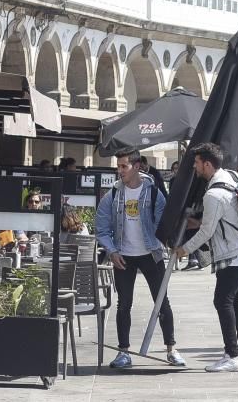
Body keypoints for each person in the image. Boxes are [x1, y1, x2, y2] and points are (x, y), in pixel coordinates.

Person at [174, 142, 238, 373]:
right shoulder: (232, 176)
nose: (194, 168)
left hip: (234, 254)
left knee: (222, 301)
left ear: (207, 164)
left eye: (196, 163)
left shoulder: (213, 194)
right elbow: (221, 218)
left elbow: (207, 232)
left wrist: (184, 249)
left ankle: (232, 355)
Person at [95, 149, 185, 368]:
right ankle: (123, 351)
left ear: (136, 166)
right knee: (123, 304)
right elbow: (102, 227)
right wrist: (112, 251)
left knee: (162, 302)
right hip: (123, 256)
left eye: (123, 166)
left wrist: (168, 243)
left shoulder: (153, 192)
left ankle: (171, 349)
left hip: (150, 254)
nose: (119, 171)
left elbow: (163, 222)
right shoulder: (113, 194)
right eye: (118, 166)